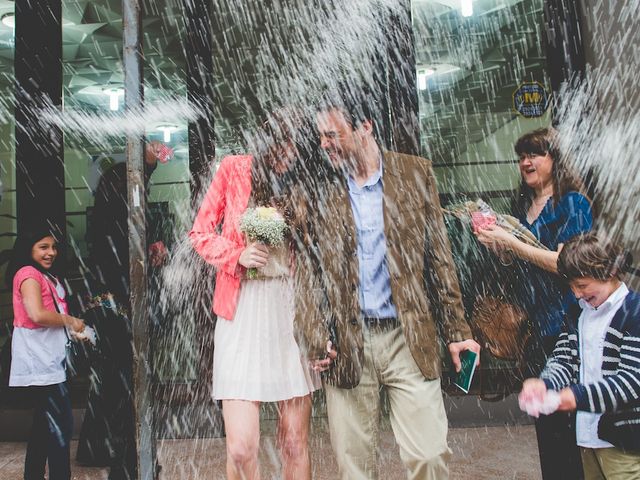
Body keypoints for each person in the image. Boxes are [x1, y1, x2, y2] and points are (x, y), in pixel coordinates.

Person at [297, 86, 480, 480]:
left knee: (430, 455)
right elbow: (309, 272)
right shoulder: (321, 190)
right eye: (321, 137)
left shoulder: (414, 173)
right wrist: (314, 334)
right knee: (354, 468)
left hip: (407, 334)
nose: (325, 144)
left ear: (365, 127)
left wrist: (457, 330)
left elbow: (439, 259)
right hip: (349, 342)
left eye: (333, 134)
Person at [189, 110, 319, 480]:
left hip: (290, 312)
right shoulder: (233, 169)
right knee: (242, 448)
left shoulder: (306, 181)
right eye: (278, 144)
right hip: (241, 312)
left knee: (294, 443)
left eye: (293, 146)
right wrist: (236, 256)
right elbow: (199, 234)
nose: (285, 153)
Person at [476, 127, 592, 479]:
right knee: (545, 425)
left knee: (567, 426)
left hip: (566, 327)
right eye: (521, 156)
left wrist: (512, 244)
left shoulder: (573, 204)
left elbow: (565, 263)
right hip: (534, 329)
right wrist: (498, 246)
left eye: (534, 154)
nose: (526, 162)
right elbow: (521, 262)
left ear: (554, 160)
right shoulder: (521, 207)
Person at [520, 233, 640, 479]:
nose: (576, 294)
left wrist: (575, 397)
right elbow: (564, 358)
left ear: (608, 272)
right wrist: (544, 383)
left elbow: (632, 381)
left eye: (582, 286)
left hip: (626, 444)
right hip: (586, 437)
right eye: (572, 286)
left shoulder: (634, 313)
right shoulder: (578, 312)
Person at [6, 224, 87, 480]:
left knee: (44, 426)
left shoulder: (45, 275)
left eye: (53, 247)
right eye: (43, 247)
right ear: (28, 248)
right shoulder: (28, 274)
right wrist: (71, 321)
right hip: (40, 362)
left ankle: (32, 475)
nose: (50, 252)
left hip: (49, 360)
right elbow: (38, 314)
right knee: (60, 427)